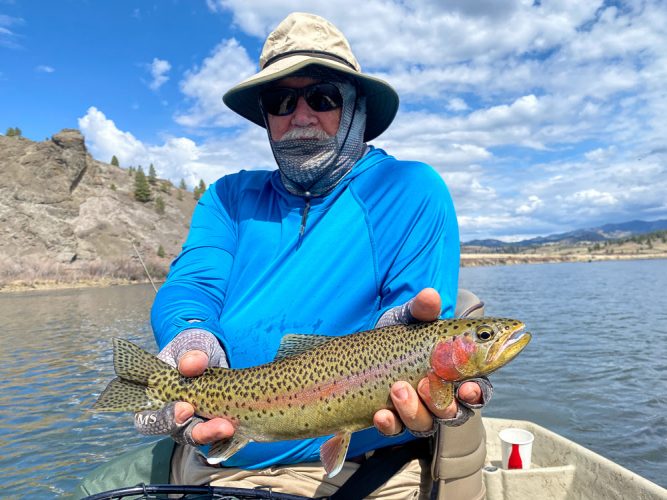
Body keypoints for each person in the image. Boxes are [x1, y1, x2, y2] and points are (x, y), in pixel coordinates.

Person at [135, 12, 491, 499]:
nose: (301, 116)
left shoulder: (409, 190)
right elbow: (192, 285)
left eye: (322, 97)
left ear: (357, 107)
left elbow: (417, 321)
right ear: (266, 117)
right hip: (215, 458)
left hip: (358, 472)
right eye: (281, 101)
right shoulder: (227, 197)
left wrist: (393, 355)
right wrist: (189, 339)